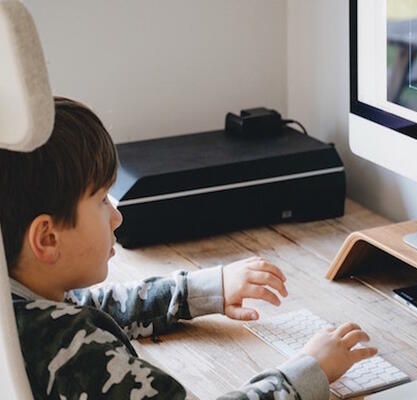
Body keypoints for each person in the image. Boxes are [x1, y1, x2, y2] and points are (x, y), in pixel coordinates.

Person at [0, 97, 377, 400]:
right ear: (47, 239)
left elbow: (91, 307)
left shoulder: (19, 305)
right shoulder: (79, 352)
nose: (117, 216)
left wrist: (201, 291)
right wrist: (309, 371)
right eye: (101, 201)